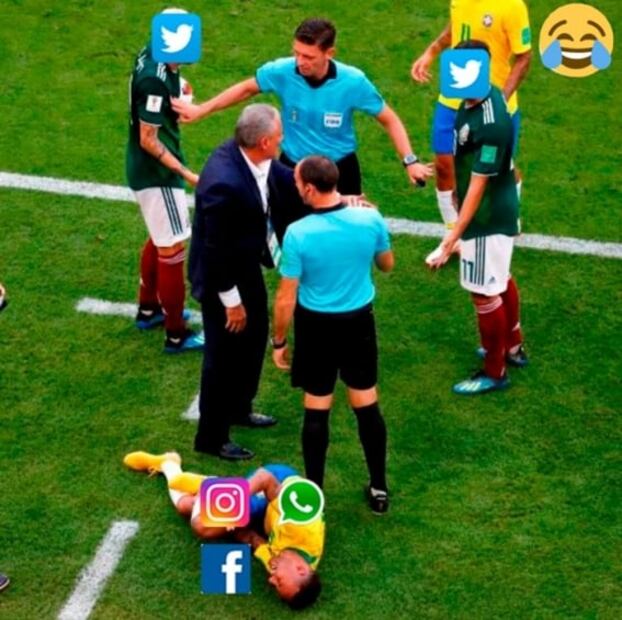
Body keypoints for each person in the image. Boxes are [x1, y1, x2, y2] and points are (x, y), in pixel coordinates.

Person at [173, 17, 432, 194]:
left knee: (343, 239)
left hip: (339, 169)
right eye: (296, 53)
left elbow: (389, 119)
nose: (300, 61)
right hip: (292, 167)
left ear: (329, 53)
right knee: (289, 235)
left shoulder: (353, 82)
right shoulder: (283, 71)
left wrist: (410, 161)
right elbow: (246, 88)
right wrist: (202, 109)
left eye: (308, 56)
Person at [271, 156, 393, 514]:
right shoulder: (370, 218)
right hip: (358, 323)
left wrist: (279, 341)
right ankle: (379, 488)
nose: (295, 188)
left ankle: (315, 496)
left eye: (297, 183)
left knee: (317, 409)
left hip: (316, 328)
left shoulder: (298, 233)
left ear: (310, 188)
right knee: (366, 405)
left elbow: (286, 297)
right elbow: (387, 265)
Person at [189, 104, 308, 461]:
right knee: (222, 356)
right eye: (279, 136)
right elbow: (215, 250)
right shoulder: (223, 182)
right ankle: (211, 437)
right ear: (265, 142)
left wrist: (335, 199)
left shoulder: (255, 158)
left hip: (244, 263)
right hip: (221, 277)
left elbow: (284, 179)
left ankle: (240, 407)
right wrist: (232, 303)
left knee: (255, 335)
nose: (283, 140)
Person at [429, 41, 528, 395]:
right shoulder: (476, 99)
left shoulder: (492, 122)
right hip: (495, 206)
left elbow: (479, 186)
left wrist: (453, 235)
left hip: (486, 216)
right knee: (500, 279)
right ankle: (512, 346)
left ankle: (495, 370)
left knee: (483, 293)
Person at [123, 451, 323, 609]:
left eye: (274, 584)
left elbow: (251, 538)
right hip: (276, 483)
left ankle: (169, 463)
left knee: (185, 507)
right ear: (301, 569)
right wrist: (231, 503)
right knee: (203, 525)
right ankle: (211, 485)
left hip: (267, 515)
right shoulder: (301, 527)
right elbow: (265, 478)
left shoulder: (280, 563)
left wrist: (230, 526)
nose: (271, 579)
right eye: (279, 581)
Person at [411, 0, 532, 262]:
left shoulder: (512, 7)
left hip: (495, 100)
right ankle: (452, 237)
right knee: (444, 165)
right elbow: (456, 27)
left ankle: (511, 211)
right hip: (453, 98)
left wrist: (499, 101)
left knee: (499, 170)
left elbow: (524, 57)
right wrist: (430, 52)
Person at [126, 8, 204, 353]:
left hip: (146, 169)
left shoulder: (155, 54)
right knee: (172, 247)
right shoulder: (154, 80)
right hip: (157, 174)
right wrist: (185, 173)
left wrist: (179, 96)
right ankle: (176, 333)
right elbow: (148, 139)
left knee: (161, 238)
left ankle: (148, 310)